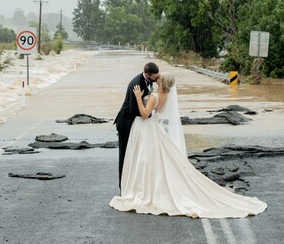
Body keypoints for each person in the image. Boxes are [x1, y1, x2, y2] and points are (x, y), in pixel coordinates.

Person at [110, 73, 267, 218]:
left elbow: (145, 114)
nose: (157, 78)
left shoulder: (155, 95)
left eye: (160, 78)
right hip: (154, 128)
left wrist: (138, 97)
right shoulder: (167, 95)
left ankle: (143, 189)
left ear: (162, 82)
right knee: (155, 160)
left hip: (148, 128)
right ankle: (148, 186)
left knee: (145, 159)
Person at [114, 62, 160, 190]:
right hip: (126, 123)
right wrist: (150, 113)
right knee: (125, 155)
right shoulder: (137, 84)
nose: (157, 79)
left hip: (137, 123)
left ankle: (135, 183)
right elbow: (133, 110)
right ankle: (123, 186)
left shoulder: (149, 80)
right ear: (147, 74)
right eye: (155, 77)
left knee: (136, 155)